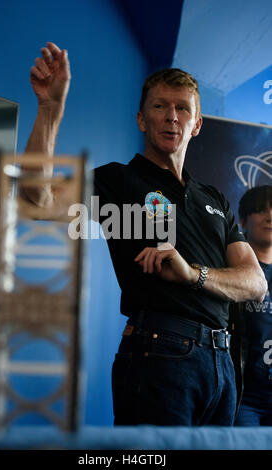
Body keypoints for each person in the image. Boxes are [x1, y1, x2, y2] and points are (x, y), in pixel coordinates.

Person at [26, 42, 267, 426]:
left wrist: (192, 273)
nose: (172, 117)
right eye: (160, 106)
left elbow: (255, 282)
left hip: (223, 364)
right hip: (159, 354)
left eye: (182, 108)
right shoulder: (117, 180)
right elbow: (37, 199)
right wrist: (50, 109)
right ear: (141, 120)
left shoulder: (214, 198)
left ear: (197, 124)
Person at [231, 185, 272, 426]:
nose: (269, 217)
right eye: (260, 210)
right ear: (243, 221)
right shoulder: (229, 271)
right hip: (244, 395)